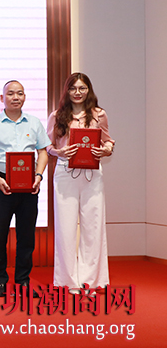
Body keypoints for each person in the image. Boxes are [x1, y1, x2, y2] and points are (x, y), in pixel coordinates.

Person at [0, 80, 49, 297]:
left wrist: (38, 175)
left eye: (19, 93)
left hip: (29, 184)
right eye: (10, 94)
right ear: (2, 98)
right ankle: (0, 281)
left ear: (25, 97)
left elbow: (43, 152)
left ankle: (23, 280)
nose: (15, 97)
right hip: (2, 182)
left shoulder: (34, 123)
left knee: (26, 236)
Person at [46, 73, 114, 293]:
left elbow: (107, 141)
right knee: (65, 228)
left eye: (82, 88)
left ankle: (90, 281)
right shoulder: (57, 116)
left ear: (88, 90)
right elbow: (48, 146)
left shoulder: (99, 114)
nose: (77, 92)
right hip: (65, 173)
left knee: (93, 226)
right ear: (67, 91)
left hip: (92, 173)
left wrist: (106, 150)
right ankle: (68, 281)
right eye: (73, 88)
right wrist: (59, 152)